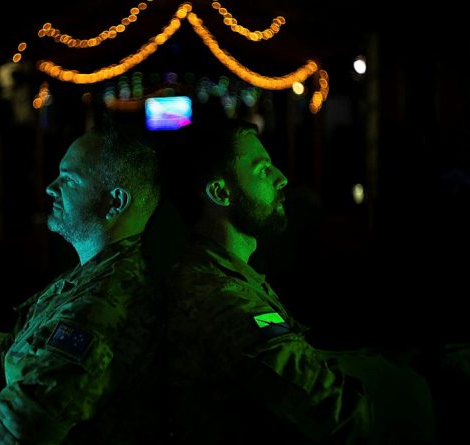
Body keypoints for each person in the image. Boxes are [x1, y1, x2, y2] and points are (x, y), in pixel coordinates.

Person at [165, 119, 435, 444]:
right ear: (221, 192)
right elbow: (342, 416)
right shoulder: (226, 302)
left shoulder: (220, 273)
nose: (282, 178)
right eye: (263, 170)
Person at [0, 118, 163, 444]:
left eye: (69, 179)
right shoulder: (76, 281)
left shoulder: (107, 302)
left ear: (116, 202)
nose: (50, 187)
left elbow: (16, 438)